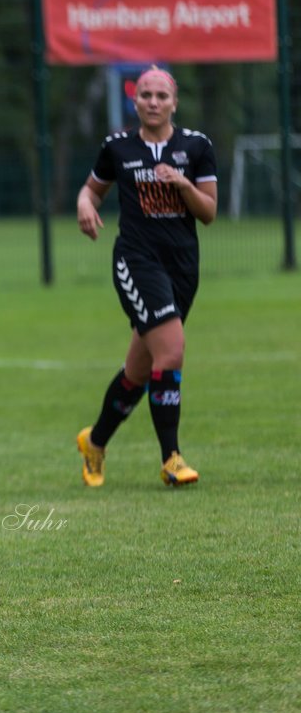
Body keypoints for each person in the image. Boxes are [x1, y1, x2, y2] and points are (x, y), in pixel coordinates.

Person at [74, 66, 217, 488]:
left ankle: (94, 442)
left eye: (161, 96)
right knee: (171, 350)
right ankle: (171, 458)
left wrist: (182, 185)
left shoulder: (196, 147)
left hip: (182, 267)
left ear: (174, 103)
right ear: (134, 101)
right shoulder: (117, 147)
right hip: (137, 261)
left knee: (140, 370)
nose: (153, 102)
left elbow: (208, 212)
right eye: (145, 95)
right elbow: (91, 189)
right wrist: (84, 203)